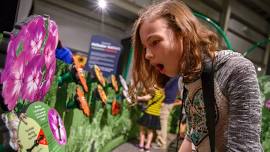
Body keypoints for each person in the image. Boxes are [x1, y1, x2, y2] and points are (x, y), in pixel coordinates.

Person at [131, 0, 263, 151]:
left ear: (183, 33)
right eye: (145, 48)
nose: (147, 55)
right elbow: (195, 133)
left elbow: (244, 148)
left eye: (154, 42)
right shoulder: (184, 81)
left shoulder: (235, 69)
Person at [154, 76, 182, 150]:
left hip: (166, 101)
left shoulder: (173, 77)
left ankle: (162, 142)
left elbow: (165, 88)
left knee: (162, 122)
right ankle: (160, 141)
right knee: (163, 122)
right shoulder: (178, 77)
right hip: (170, 101)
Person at [136, 86, 165, 152]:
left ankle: (141, 145)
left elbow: (146, 98)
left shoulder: (155, 92)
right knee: (150, 131)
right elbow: (161, 104)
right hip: (156, 114)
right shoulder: (163, 93)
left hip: (149, 113)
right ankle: (147, 147)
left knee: (142, 130)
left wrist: (137, 98)